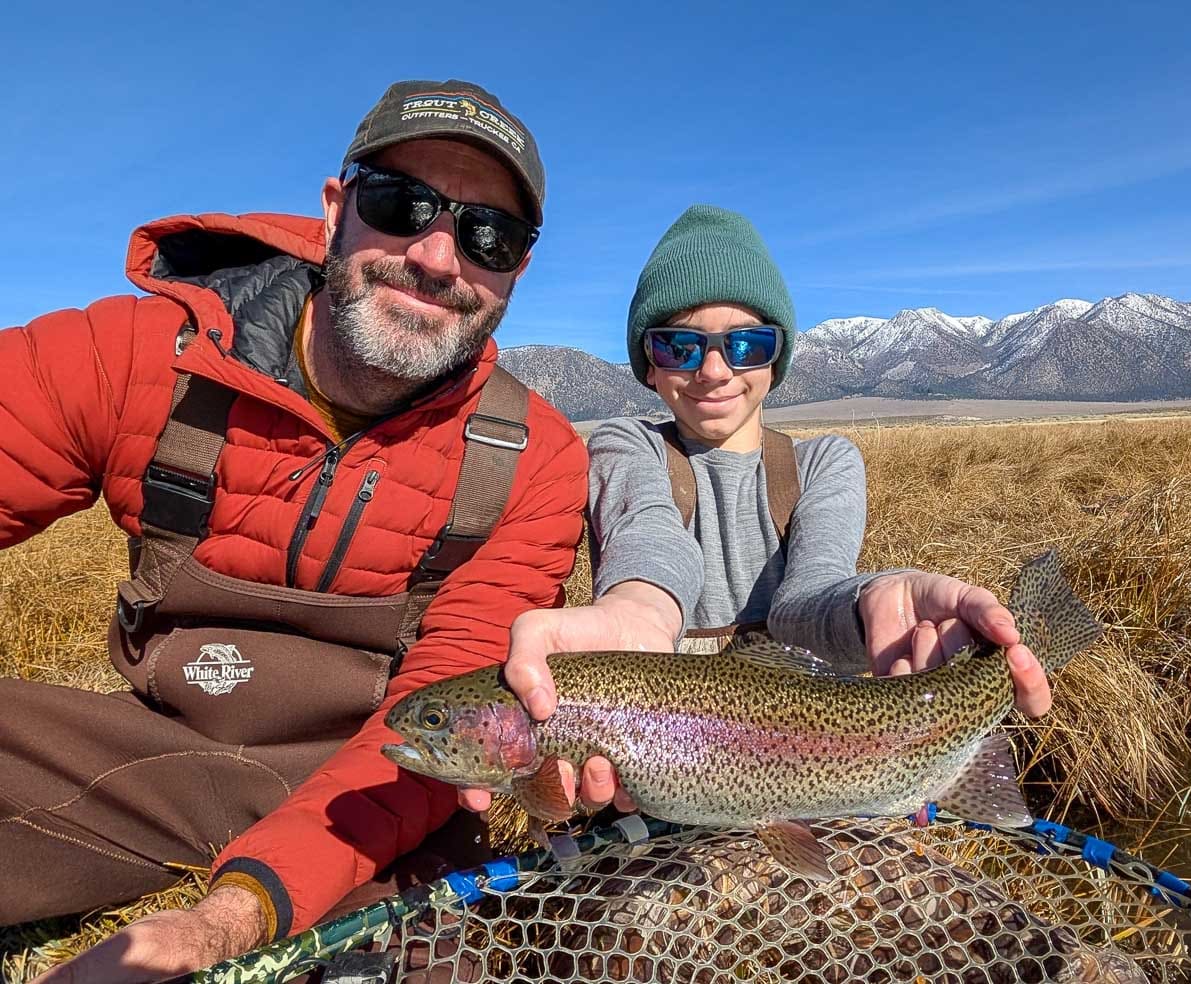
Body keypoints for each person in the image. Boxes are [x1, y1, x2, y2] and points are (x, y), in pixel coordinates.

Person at [3, 79, 588, 979]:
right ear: (334, 210)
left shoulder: (536, 462)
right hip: (142, 754)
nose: (437, 256)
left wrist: (228, 921)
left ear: (515, 270)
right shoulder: (138, 356)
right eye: (402, 204)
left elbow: (442, 701)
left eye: (488, 235)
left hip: (385, 787)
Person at [463, 204, 1051, 820]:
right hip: (657, 800)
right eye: (679, 345)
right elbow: (650, 547)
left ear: (777, 355)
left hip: (826, 775)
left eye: (745, 343)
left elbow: (807, 599)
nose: (714, 371)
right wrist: (635, 612)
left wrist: (867, 600)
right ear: (648, 361)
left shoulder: (825, 463)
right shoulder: (624, 445)